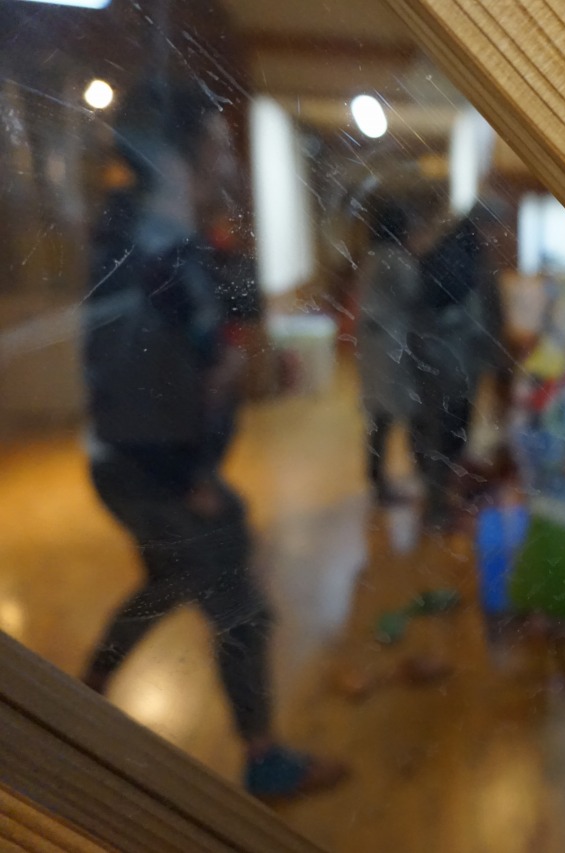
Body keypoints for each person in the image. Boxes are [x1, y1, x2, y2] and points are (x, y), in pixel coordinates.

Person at [80, 78, 346, 800]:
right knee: (242, 609)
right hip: (157, 473)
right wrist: (189, 480)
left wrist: (225, 345)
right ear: (175, 158)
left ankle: (89, 683)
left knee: (168, 579)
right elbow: (132, 386)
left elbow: (209, 340)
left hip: (152, 466)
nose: (229, 163)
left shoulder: (168, 245)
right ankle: (265, 760)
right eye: (218, 148)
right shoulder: (142, 252)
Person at [412, 202, 509, 525]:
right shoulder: (460, 256)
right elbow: (473, 318)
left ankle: (439, 501)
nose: (497, 236)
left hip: (445, 362)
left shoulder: (453, 250)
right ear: (483, 225)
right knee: (444, 436)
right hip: (450, 364)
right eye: (495, 228)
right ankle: (435, 509)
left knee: (444, 435)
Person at [356, 200, 426, 504]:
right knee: (397, 413)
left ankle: (377, 478)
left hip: (373, 343)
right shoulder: (395, 259)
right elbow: (416, 290)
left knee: (379, 416)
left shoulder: (373, 256)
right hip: (391, 343)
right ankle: (396, 480)